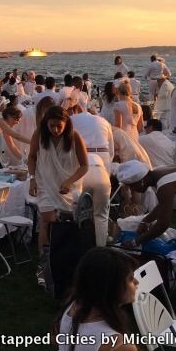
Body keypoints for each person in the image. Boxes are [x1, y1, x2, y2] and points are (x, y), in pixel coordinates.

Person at [57, 247, 140, 351]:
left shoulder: (74, 305)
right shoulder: (119, 347)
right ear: (112, 287)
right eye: (130, 278)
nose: (137, 282)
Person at [28, 107, 89, 263]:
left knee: (67, 220)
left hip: (69, 185)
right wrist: (32, 178)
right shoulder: (40, 135)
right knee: (47, 219)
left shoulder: (75, 137)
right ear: (46, 125)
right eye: (52, 126)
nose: (55, 130)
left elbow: (84, 165)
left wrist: (69, 181)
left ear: (66, 124)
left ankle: (63, 254)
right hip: (45, 182)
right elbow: (32, 157)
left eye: (59, 126)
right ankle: (44, 261)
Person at [68, 102, 114, 246]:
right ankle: (101, 244)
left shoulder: (72, 120)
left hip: (81, 159)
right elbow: (111, 150)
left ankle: (75, 240)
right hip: (102, 158)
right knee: (101, 212)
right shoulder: (104, 121)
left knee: (75, 202)